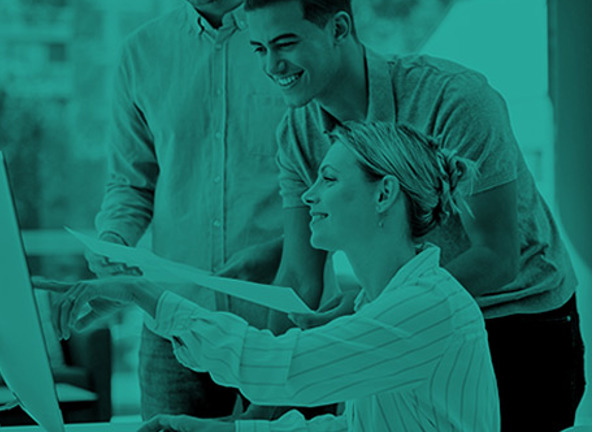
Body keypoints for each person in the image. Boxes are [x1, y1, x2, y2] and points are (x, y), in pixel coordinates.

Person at [235, 1, 584, 430]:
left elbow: (496, 256)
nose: (272, 65)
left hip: (518, 321)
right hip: (397, 325)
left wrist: (369, 314)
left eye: (284, 43)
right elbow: (298, 275)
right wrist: (255, 411)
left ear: (339, 28)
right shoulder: (297, 132)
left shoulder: (454, 98)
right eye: (259, 49)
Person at [41, 121, 500, 431]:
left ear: (384, 194)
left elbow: (284, 367)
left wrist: (142, 292)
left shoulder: (425, 308)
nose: (310, 196)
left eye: (329, 180)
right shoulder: (390, 302)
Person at [59, 0, 291, 421]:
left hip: (280, 320)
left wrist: (285, 251)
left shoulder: (288, 38)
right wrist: (113, 239)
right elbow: (131, 183)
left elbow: (329, 180)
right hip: (173, 323)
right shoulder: (141, 51)